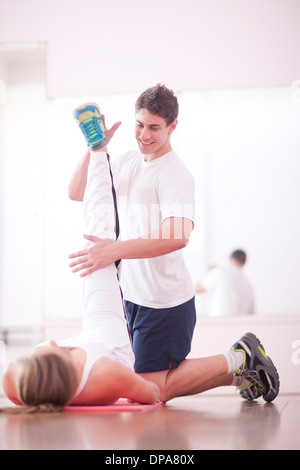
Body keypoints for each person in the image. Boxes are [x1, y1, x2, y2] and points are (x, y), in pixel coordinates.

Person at [67, 93, 280, 403]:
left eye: (154, 127)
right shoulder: (127, 161)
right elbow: (76, 192)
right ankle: (242, 372)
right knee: (142, 384)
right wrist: (95, 148)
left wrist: (115, 251)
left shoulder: (174, 174)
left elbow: (177, 236)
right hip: (131, 297)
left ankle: (240, 356)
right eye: (139, 125)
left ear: (172, 126)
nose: (144, 135)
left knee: (151, 391)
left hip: (164, 302)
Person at [1, 117, 160, 413]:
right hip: (109, 344)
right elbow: (150, 394)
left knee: (95, 248)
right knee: (96, 243)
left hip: (86, 346)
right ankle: (97, 149)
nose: (51, 340)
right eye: (56, 349)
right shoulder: (103, 375)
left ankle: (97, 148)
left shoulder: (17, 380)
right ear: (64, 366)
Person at [195, 250, 255, 317]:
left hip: (219, 321)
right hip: (239, 325)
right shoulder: (249, 286)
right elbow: (251, 315)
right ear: (244, 263)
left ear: (230, 259)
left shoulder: (219, 272)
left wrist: (209, 273)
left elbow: (197, 289)